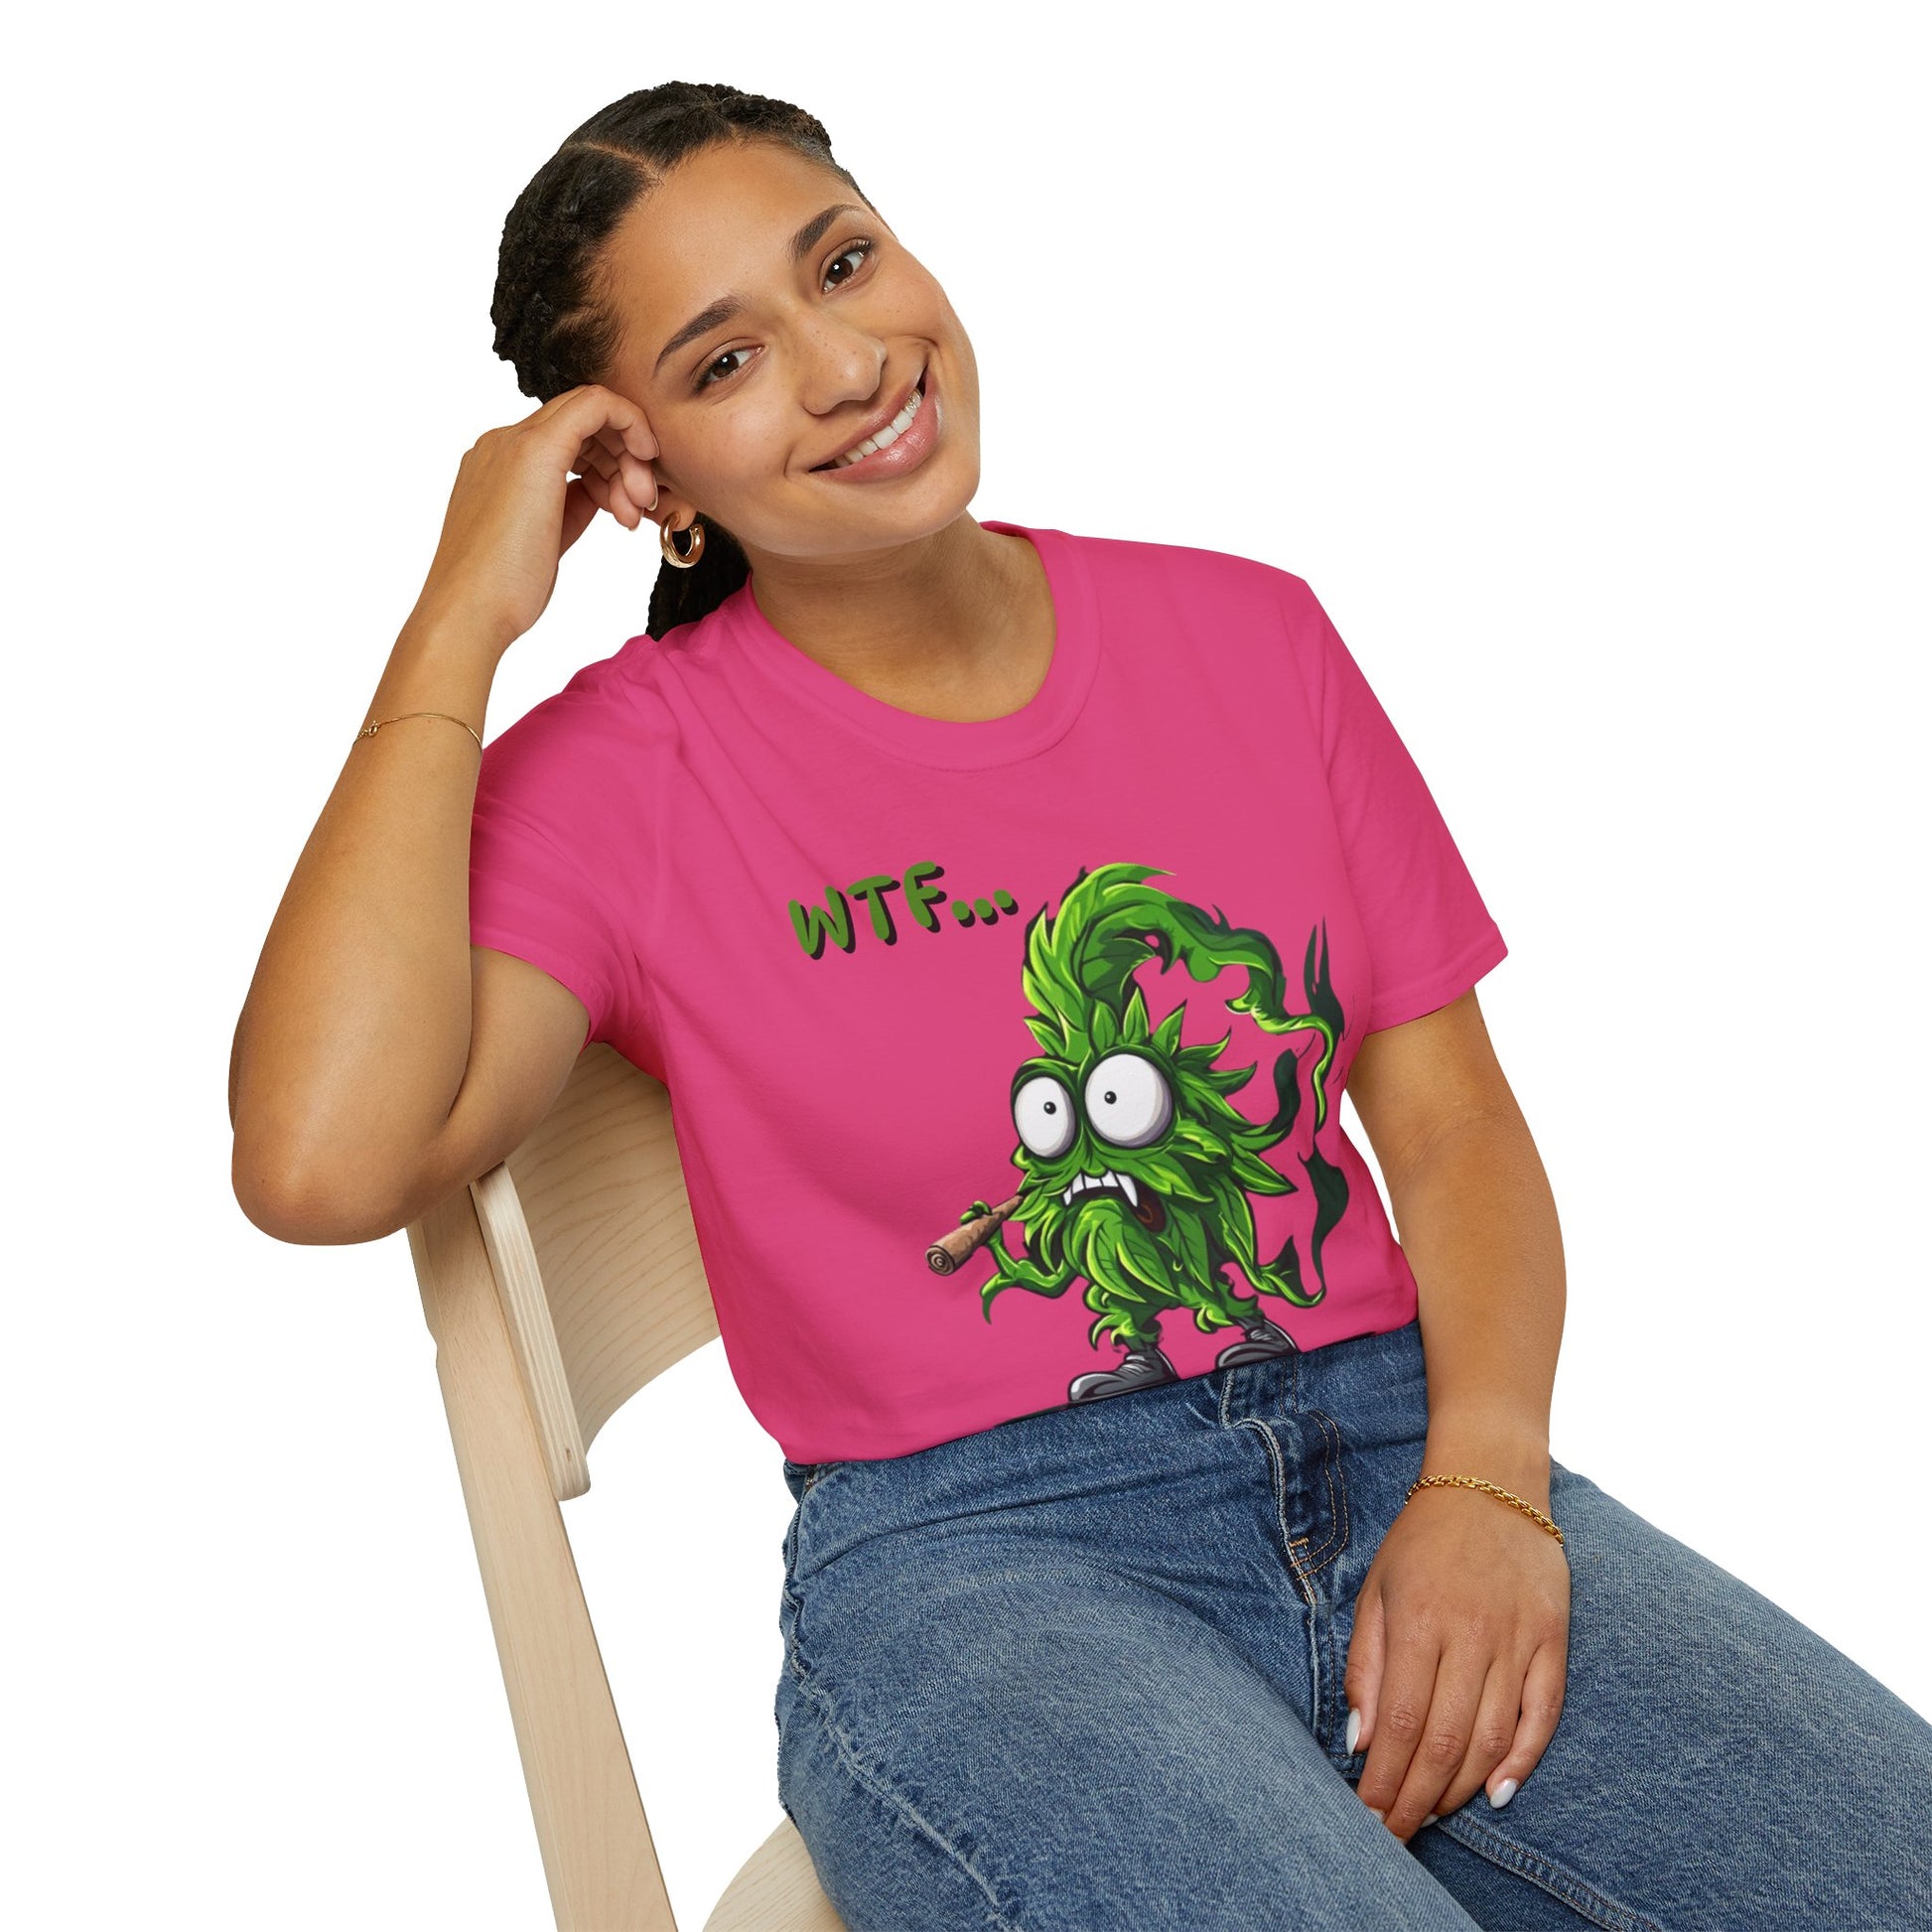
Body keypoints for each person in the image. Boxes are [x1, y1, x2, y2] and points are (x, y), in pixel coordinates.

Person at [228, 80, 1932, 1931]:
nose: (846, 365)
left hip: (1403, 1444)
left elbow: (1450, 1127)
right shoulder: (627, 776)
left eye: (843, 264)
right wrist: (457, 618)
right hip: (981, 1565)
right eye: (726, 361)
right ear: (649, 480)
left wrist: (1489, 1483)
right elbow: (319, 1160)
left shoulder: (1250, 636)